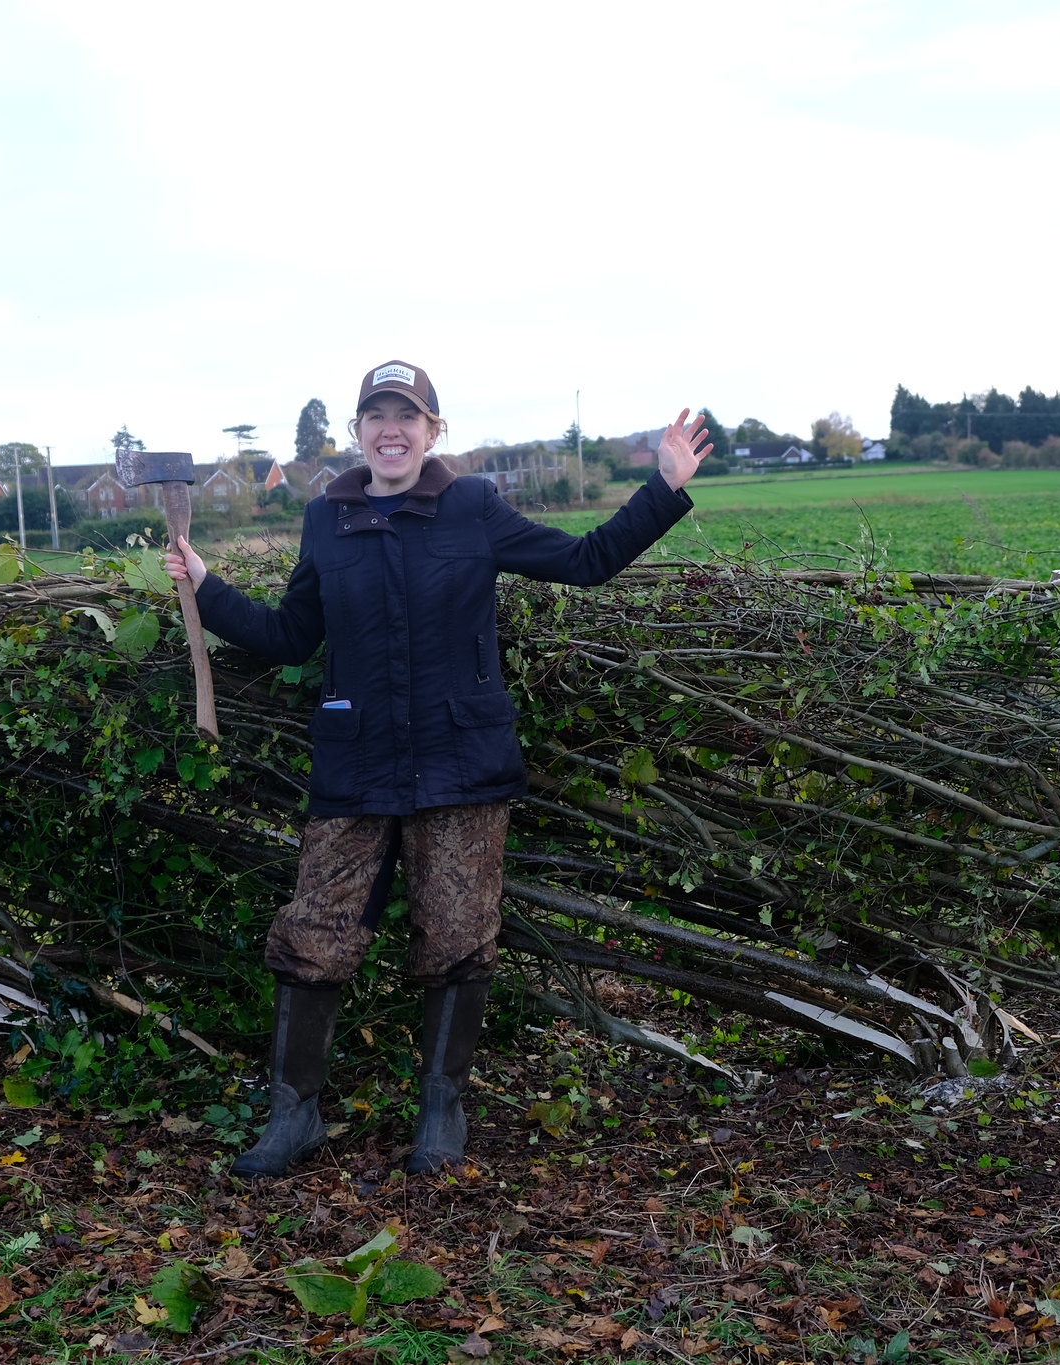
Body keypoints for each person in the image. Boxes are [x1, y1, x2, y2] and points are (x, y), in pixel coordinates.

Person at [164, 360, 710, 1177]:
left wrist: (664, 487)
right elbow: (291, 637)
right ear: (356, 432)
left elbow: (589, 560)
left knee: (457, 938)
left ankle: (440, 1116)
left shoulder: (472, 508)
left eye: (408, 416)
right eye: (376, 416)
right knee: (313, 935)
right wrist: (208, 586)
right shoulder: (327, 519)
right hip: (356, 764)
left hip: (460, 763)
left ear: (434, 430)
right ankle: (294, 1116)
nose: (392, 430)